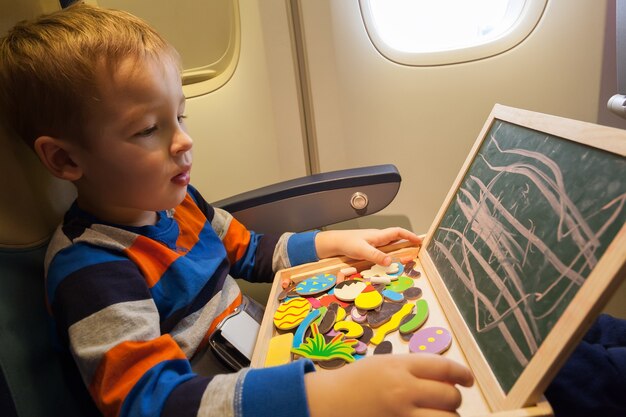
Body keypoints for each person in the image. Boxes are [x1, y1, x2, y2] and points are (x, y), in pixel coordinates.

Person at [0, 3, 474, 417]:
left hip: (266, 359)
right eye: (148, 129)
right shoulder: (92, 269)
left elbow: (249, 251)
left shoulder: (179, 203)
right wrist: (319, 398)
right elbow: (150, 403)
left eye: (180, 116)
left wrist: (334, 243)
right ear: (65, 159)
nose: (183, 141)